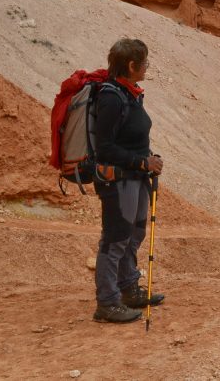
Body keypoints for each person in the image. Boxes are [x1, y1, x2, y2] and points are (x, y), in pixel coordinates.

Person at [92, 38, 165, 324]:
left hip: (136, 178)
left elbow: (132, 137)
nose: (147, 68)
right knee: (115, 239)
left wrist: (147, 160)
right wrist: (142, 162)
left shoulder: (131, 93)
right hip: (118, 181)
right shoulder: (111, 97)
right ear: (131, 65)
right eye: (144, 63)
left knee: (134, 235)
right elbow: (104, 148)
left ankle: (128, 288)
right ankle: (107, 303)